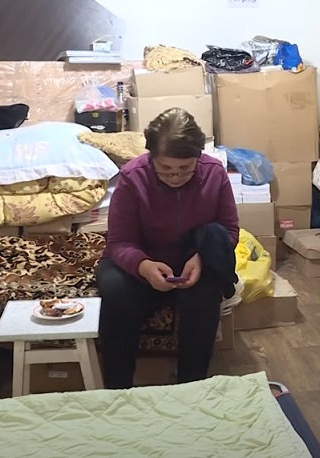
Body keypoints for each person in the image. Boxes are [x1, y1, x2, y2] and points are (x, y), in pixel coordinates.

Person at [95, 107, 239, 389]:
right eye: (166, 170)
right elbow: (119, 242)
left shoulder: (214, 173)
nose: (175, 178)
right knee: (116, 290)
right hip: (141, 259)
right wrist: (143, 266)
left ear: (198, 157)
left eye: (185, 169)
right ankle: (118, 388)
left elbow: (229, 230)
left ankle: (191, 385)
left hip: (192, 260)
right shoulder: (133, 176)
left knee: (206, 291)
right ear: (151, 158)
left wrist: (201, 259)